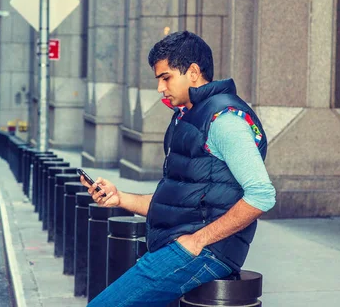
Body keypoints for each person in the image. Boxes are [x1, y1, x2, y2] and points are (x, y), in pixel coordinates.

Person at [80, 31, 276, 306]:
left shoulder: (224, 120)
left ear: (193, 72)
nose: (160, 88)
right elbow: (179, 203)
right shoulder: (188, 117)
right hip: (181, 245)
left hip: (205, 252)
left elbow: (262, 195)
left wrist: (198, 241)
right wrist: (120, 198)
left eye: (166, 77)